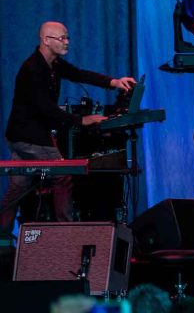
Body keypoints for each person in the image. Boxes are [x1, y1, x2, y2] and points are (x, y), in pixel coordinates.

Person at [1, 21, 135, 235]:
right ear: (46, 40)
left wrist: (114, 82)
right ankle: (66, 233)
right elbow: (46, 109)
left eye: (67, 38)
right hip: (30, 137)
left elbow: (79, 74)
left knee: (19, 186)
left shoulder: (54, 64)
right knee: (62, 176)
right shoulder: (33, 69)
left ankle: (3, 234)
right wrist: (82, 121)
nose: (66, 42)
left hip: (21, 135)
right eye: (61, 38)